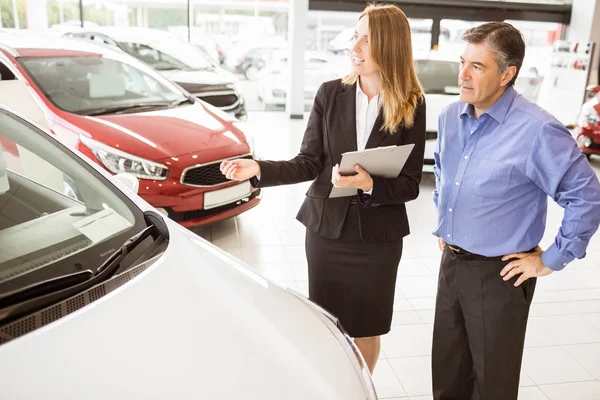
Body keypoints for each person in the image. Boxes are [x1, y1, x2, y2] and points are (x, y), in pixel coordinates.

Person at [220, 4, 426, 373]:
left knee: (366, 329)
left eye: (367, 38)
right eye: (355, 35)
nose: (355, 45)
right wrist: (258, 168)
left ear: (390, 45)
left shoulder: (412, 103)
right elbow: (309, 162)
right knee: (327, 326)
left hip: (377, 240)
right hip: (328, 232)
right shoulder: (330, 94)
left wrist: (370, 185)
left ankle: (360, 390)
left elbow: (410, 184)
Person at [432, 22, 600, 400]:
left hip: (501, 275)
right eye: (462, 62)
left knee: (492, 385)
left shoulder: (537, 130)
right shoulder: (449, 117)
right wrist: (447, 220)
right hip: (452, 267)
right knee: (447, 379)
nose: (463, 75)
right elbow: (444, 171)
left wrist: (551, 259)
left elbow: (587, 197)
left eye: (477, 66)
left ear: (507, 74)